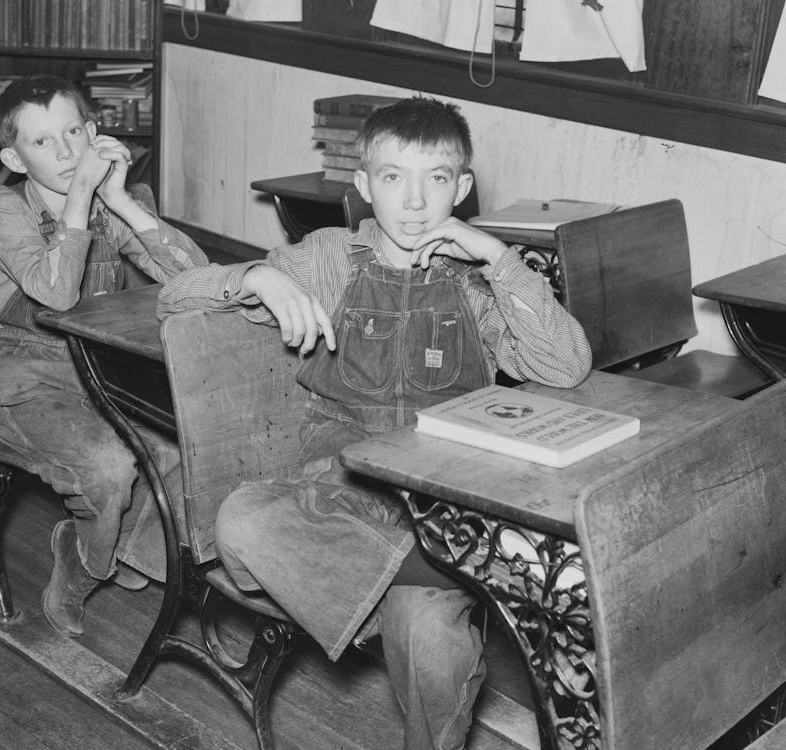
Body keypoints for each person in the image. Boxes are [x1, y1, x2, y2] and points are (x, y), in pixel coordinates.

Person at [157, 96, 592, 749]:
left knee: (425, 632)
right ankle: (462, 572)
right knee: (240, 525)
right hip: (342, 500)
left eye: (436, 179)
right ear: (363, 187)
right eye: (394, 178)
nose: (415, 203)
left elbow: (566, 366)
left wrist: (499, 259)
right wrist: (257, 277)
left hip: (443, 498)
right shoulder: (332, 258)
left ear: (463, 188)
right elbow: (172, 295)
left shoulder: (475, 283)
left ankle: (428, 583)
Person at [0, 74, 207, 638]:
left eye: (74, 131)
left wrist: (118, 197)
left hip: (91, 370)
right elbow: (55, 293)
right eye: (42, 141)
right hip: (18, 378)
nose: (67, 150)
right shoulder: (6, 214)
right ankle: (81, 563)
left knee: (177, 446)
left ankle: (114, 545)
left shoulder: (102, 202)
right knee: (110, 467)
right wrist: (81, 196)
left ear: (93, 131)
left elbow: (195, 278)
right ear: (14, 159)